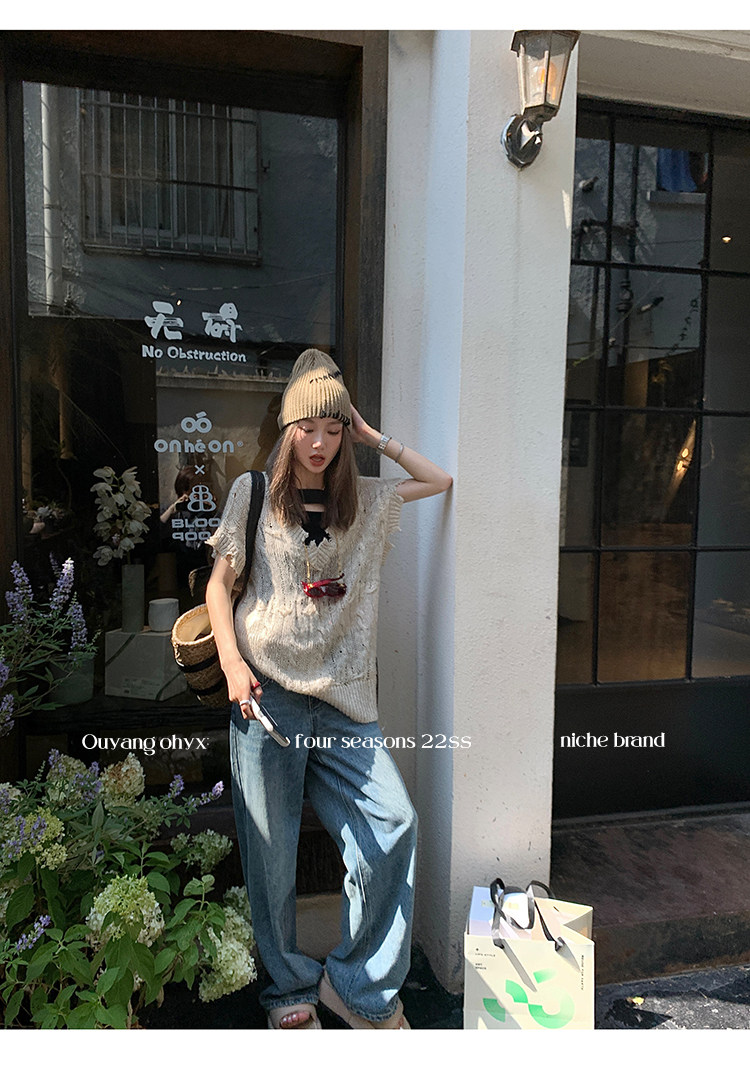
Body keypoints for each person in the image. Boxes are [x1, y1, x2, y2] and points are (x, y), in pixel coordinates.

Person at [205, 349, 452, 1030]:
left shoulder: (362, 500)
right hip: (267, 696)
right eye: (308, 428)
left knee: (394, 821)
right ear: (288, 429)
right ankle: (286, 989)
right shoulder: (253, 492)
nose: (320, 443)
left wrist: (376, 438)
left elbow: (438, 480)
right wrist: (232, 664)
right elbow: (219, 587)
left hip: (344, 700)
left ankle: (359, 987)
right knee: (270, 852)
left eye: (333, 429)